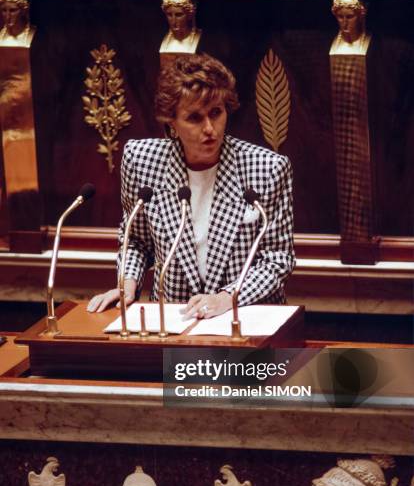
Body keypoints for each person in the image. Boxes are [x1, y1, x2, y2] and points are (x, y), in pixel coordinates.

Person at [87, 54, 295, 319]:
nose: (210, 128)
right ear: (171, 121)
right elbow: (137, 241)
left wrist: (227, 298)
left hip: (244, 318)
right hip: (174, 320)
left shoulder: (267, 168)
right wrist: (127, 283)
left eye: (216, 113)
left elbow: (277, 260)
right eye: (195, 118)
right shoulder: (141, 161)